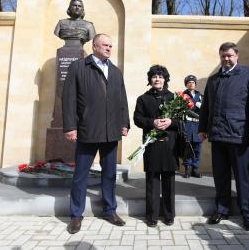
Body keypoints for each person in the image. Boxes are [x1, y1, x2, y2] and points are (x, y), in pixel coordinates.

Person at [62, 33, 130, 234]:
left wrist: (124, 122)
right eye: (105, 45)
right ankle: (76, 215)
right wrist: (70, 126)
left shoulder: (116, 72)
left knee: (109, 175)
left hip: (111, 132)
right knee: (80, 175)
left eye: (111, 45)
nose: (109, 48)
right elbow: (68, 99)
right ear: (94, 47)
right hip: (87, 131)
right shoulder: (78, 67)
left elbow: (122, 100)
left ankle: (110, 210)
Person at [198, 42, 249, 231]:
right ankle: (222, 209)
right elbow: (206, 107)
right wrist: (203, 128)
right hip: (218, 135)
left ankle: (247, 213)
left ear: (236, 55)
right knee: (220, 176)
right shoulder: (213, 80)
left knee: (243, 177)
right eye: (223, 56)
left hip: (240, 136)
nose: (226, 59)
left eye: (229, 55)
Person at [133, 65, 178, 227]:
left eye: (160, 76)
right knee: (152, 181)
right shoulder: (143, 99)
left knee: (169, 182)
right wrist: (152, 122)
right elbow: (137, 119)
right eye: (154, 77)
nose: (157, 79)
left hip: (169, 146)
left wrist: (171, 122)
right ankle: (151, 216)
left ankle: (169, 215)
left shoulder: (173, 98)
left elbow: (182, 122)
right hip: (151, 145)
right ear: (150, 80)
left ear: (165, 79)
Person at [182, 75, 203, 178]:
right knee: (188, 147)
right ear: (186, 84)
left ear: (195, 84)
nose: (191, 84)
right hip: (188, 124)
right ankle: (187, 169)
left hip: (198, 125)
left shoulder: (200, 96)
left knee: (197, 148)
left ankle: (195, 169)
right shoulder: (182, 96)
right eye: (189, 82)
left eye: (193, 82)